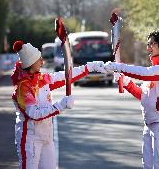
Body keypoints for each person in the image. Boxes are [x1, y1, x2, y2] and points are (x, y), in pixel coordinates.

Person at [11, 40, 105, 169]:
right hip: (30, 139)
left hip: (47, 137)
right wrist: (61, 105)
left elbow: (66, 76)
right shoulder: (23, 87)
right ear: (31, 63)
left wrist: (89, 68)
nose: (42, 62)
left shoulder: (41, 79)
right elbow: (34, 113)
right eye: (39, 59)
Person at [104, 30, 159, 169]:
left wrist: (119, 67)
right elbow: (142, 95)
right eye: (148, 44)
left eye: (152, 44)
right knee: (147, 165)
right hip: (149, 123)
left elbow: (146, 75)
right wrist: (124, 81)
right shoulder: (155, 69)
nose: (148, 48)